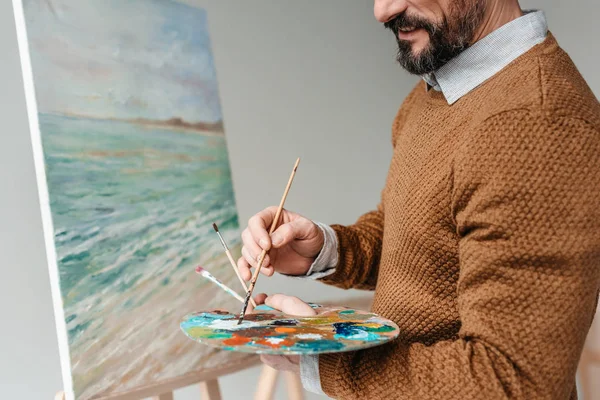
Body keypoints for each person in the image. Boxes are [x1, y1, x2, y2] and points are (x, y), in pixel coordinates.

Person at [238, 0, 600, 398]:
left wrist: (323, 354)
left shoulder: (538, 124)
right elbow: (424, 244)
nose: (382, 11)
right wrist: (327, 250)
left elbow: (509, 382)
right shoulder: (438, 91)